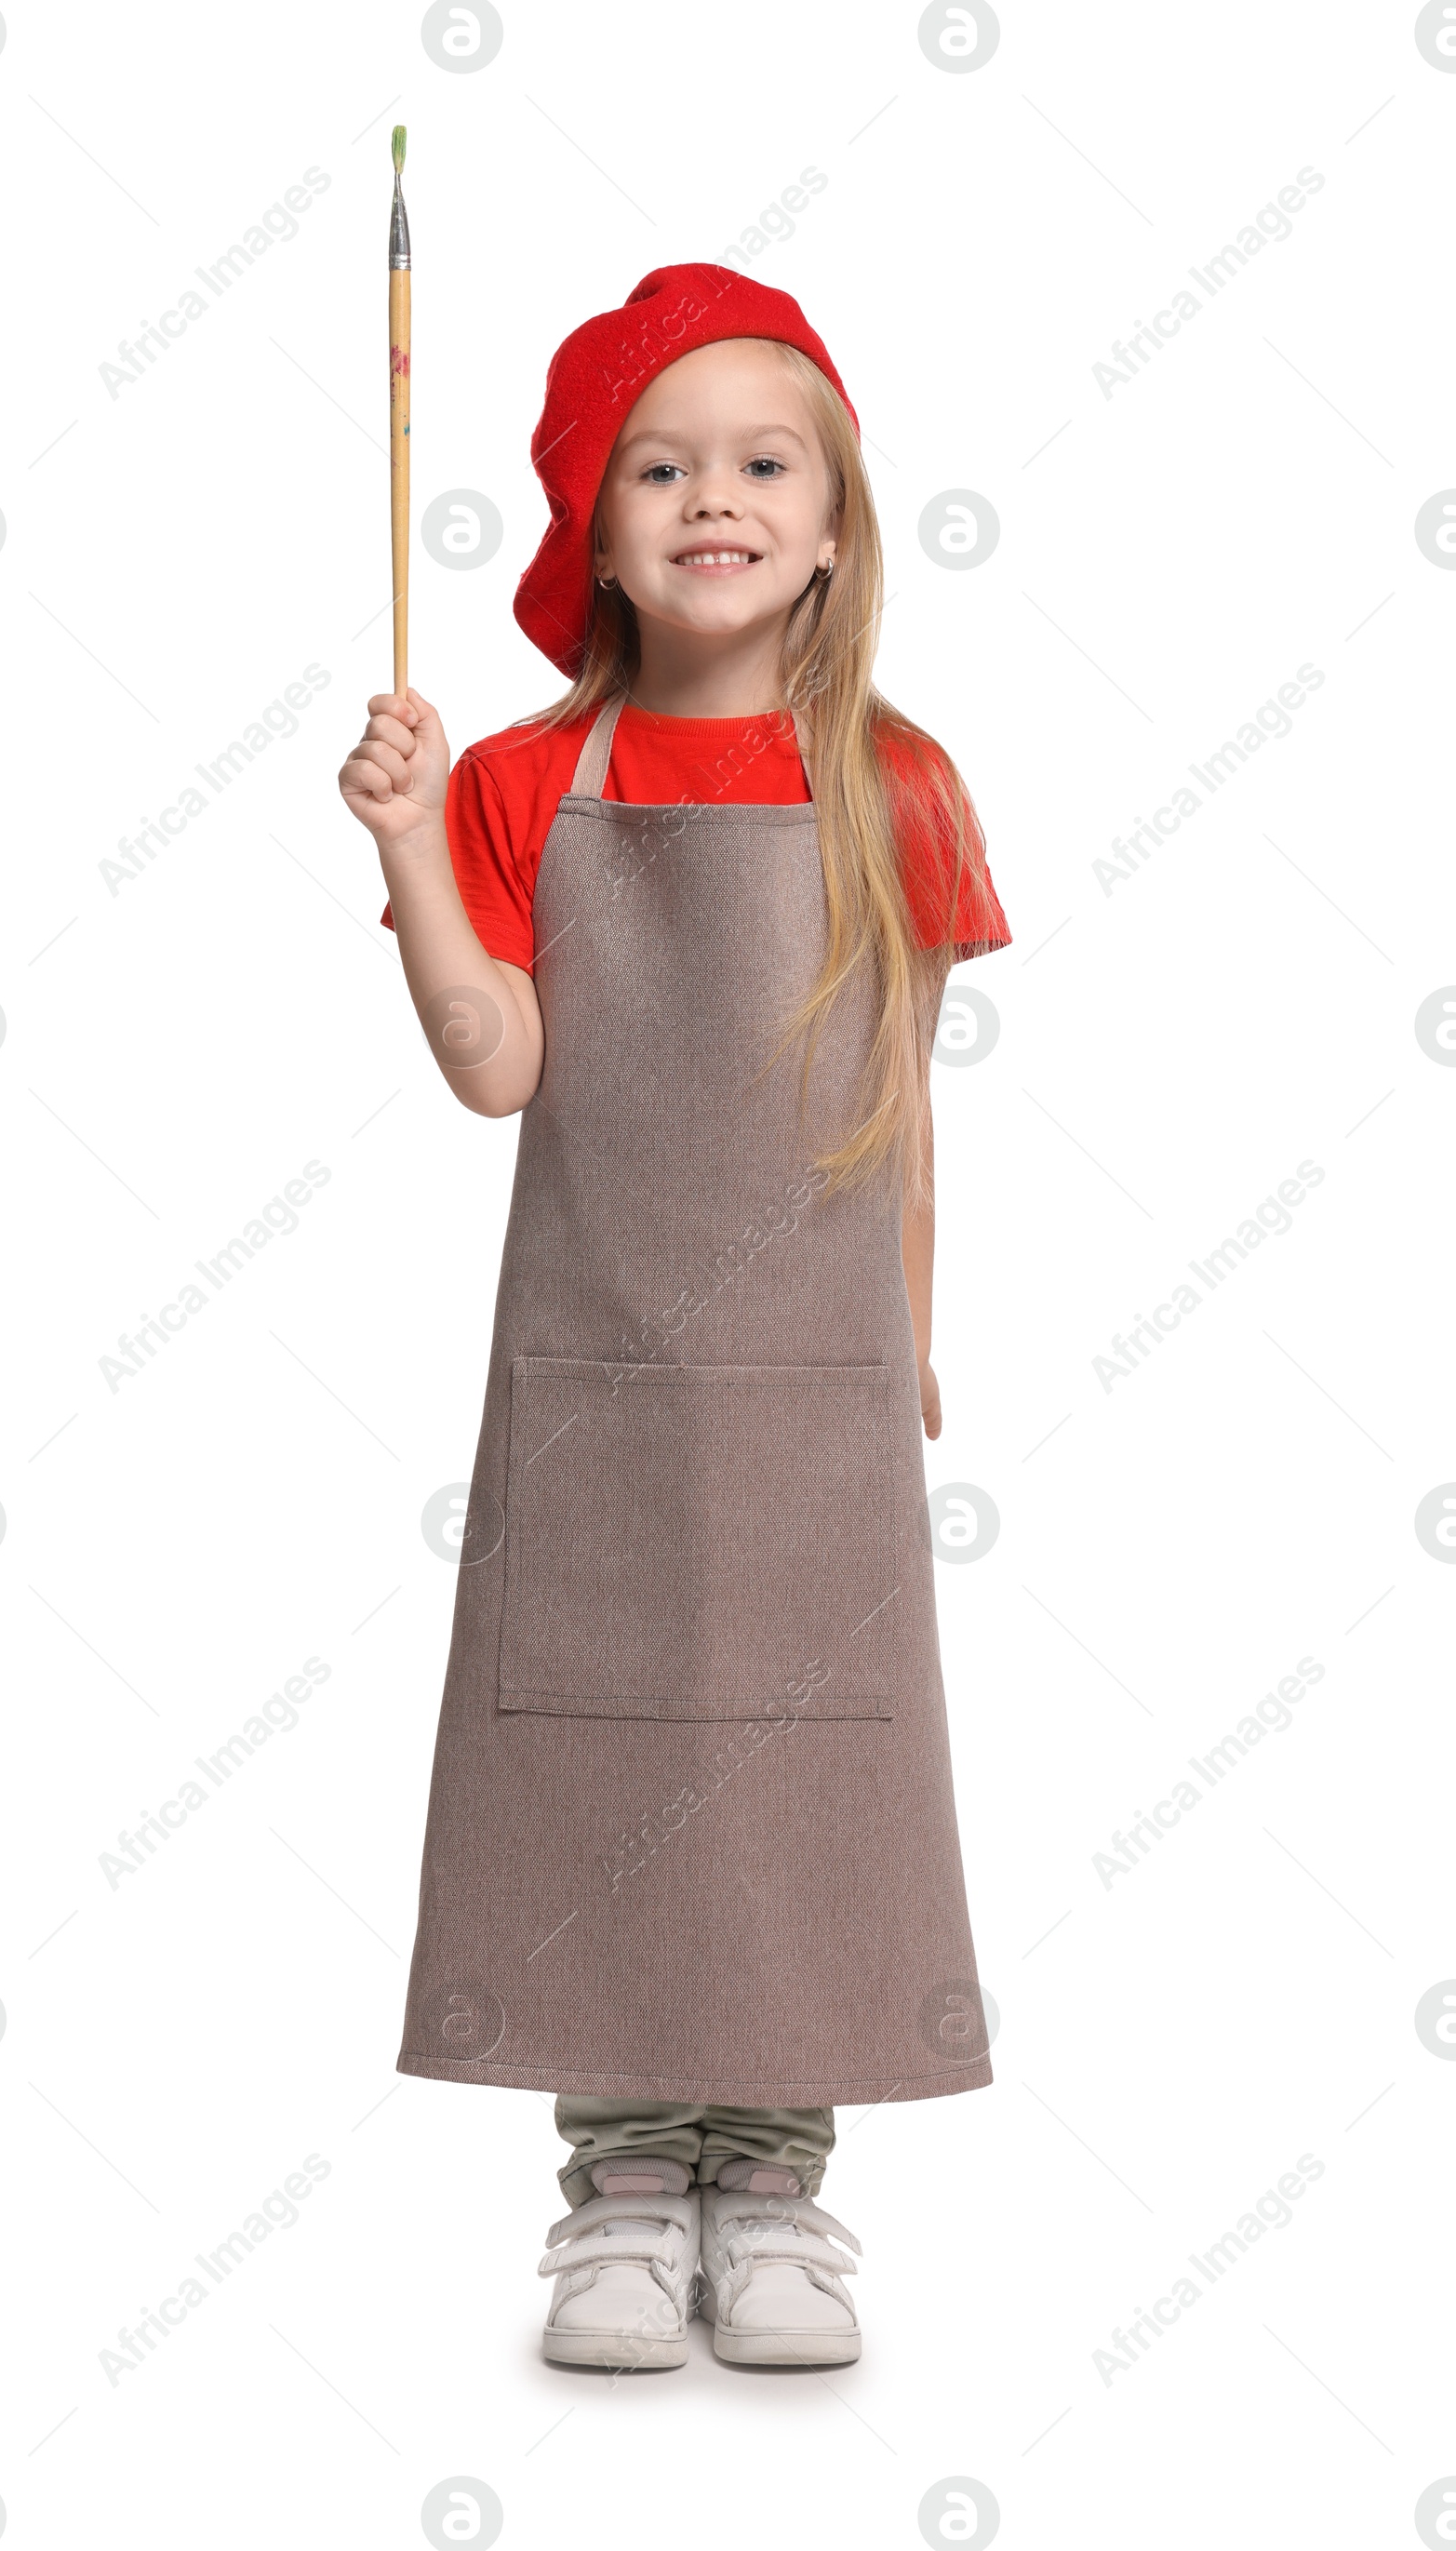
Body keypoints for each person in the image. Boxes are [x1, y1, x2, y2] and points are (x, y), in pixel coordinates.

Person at [338, 263, 1009, 2373]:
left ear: (831, 522)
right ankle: (622, 2183)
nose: (710, 494)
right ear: (592, 527)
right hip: (602, 1384)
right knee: (602, 1763)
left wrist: (903, 1346)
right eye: (659, 462)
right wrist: (412, 849)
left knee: (806, 1781)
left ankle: (776, 2189)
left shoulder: (897, 784)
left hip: (808, 1397)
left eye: (760, 459)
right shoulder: (531, 782)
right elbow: (492, 1063)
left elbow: (896, 1106)